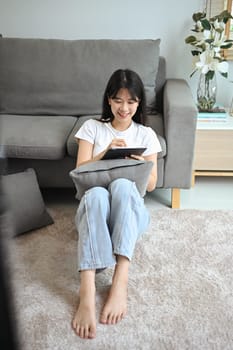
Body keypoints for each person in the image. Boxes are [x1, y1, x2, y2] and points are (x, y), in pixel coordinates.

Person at [72, 69, 162, 339]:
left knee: (123, 186)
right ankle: (87, 291)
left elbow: (151, 185)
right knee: (98, 193)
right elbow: (79, 171)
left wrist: (137, 161)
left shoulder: (146, 135)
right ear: (109, 100)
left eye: (131, 101)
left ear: (139, 104)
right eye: (119, 100)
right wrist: (104, 153)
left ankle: (120, 279)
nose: (125, 108)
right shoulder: (92, 127)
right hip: (94, 208)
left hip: (130, 213)